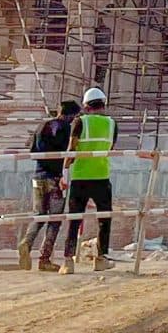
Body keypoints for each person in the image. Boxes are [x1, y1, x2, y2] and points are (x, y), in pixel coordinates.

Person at [64, 85, 117, 269]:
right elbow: (111, 148)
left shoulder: (80, 122)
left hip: (79, 177)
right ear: (103, 104)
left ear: (86, 106)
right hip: (102, 176)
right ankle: (101, 258)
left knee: (74, 219)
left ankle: (68, 261)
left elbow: (72, 148)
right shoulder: (111, 124)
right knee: (104, 219)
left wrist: (65, 170)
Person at [26, 98, 78, 271]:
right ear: (70, 115)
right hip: (55, 179)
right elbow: (68, 154)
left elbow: (32, 151)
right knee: (54, 220)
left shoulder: (42, 127)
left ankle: (26, 243)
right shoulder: (65, 128)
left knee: (39, 214)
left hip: (38, 177)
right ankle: (44, 258)